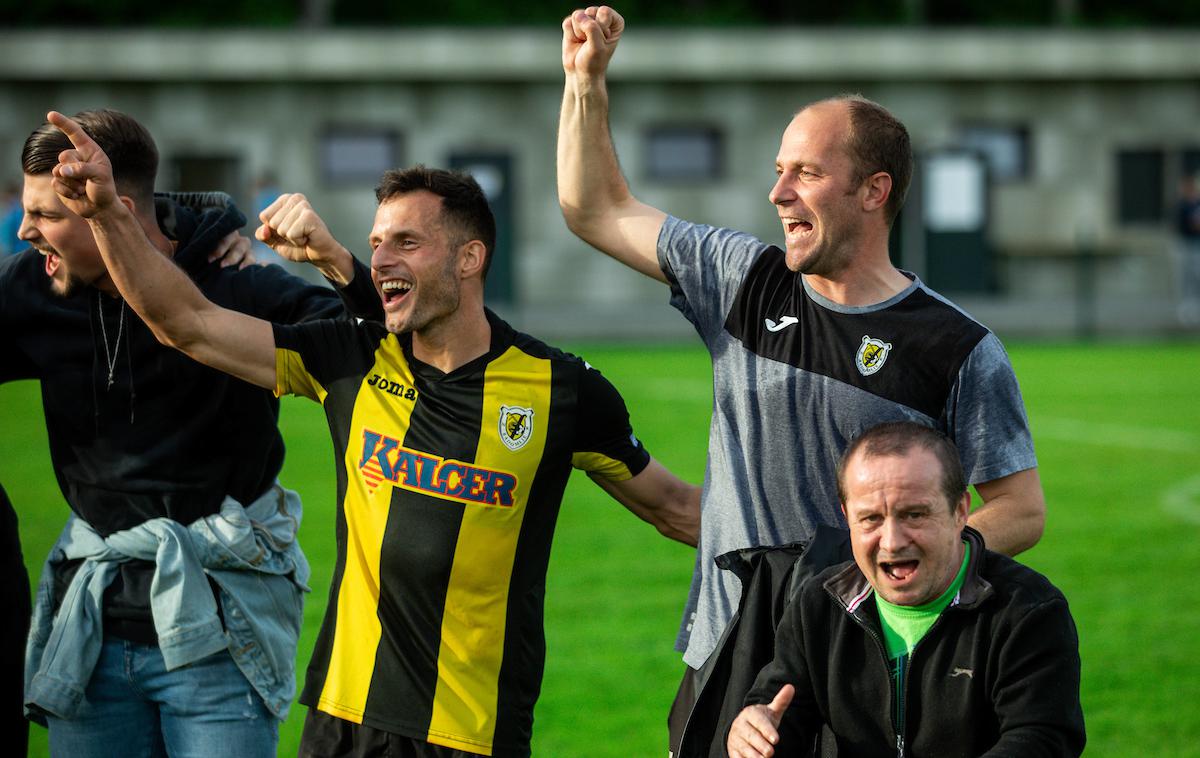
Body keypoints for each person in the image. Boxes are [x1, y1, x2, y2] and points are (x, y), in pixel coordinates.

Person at [46, 111, 701, 758]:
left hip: (471, 732)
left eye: (406, 243)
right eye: (376, 242)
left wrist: (796, 546)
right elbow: (187, 323)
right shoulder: (352, 358)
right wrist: (108, 215)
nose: (381, 258)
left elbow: (674, 508)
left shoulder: (562, 390)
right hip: (341, 719)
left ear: (470, 257)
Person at [558, 8, 1047, 747]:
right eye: (778, 171)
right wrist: (585, 82)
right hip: (723, 645)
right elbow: (594, 208)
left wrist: (881, 571)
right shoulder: (743, 281)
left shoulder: (956, 347)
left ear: (874, 191)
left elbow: (1020, 508)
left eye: (806, 174)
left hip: (860, 665)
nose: (779, 192)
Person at [2, 108, 380, 757]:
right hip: (90, 633)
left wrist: (335, 260)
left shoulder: (238, 284)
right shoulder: (30, 292)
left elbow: (375, 348)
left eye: (46, 215)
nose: (24, 229)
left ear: (108, 207)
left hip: (222, 630)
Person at [727, 421, 1085, 757]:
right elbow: (777, 707)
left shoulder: (1028, 611)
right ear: (846, 516)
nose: (893, 541)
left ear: (960, 510)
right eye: (870, 519)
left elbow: (1040, 740)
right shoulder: (820, 603)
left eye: (914, 514)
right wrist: (754, 731)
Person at [1175, 172, 1200, 325]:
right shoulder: (1181, 205)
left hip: (1197, 245)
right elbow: (1188, 225)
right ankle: (1186, 311)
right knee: (1185, 279)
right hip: (1185, 244)